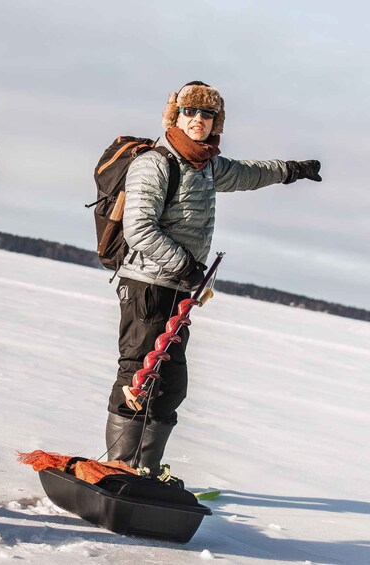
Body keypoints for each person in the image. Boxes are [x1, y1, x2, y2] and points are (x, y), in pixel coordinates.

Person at [105, 81, 321, 481]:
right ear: (176, 116)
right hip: (147, 285)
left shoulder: (205, 165)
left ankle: (145, 470)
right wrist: (185, 266)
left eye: (207, 114)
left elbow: (247, 174)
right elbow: (138, 228)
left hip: (178, 290)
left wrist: (291, 171)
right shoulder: (156, 163)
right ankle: (118, 469)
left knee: (170, 384)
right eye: (190, 112)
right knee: (137, 375)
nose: (198, 120)